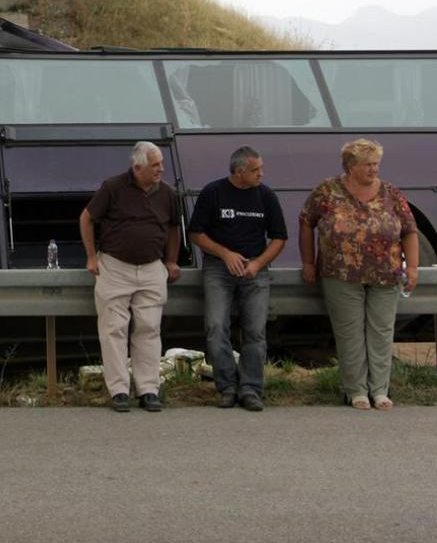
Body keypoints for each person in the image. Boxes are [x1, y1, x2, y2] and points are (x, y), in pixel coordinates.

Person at [298, 138, 418, 412]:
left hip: (385, 274)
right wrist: (308, 261)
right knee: (350, 333)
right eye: (368, 165)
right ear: (350, 166)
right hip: (340, 273)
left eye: (376, 164)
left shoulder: (391, 193)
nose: (374, 169)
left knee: (381, 331)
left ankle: (380, 390)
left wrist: (411, 267)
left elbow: (410, 230)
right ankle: (356, 391)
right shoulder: (327, 191)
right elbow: (306, 221)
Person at [80, 141, 183, 413]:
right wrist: (91, 256)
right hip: (115, 267)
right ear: (138, 168)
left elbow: (174, 227)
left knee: (149, 328)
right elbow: (87, 218)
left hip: (151, 268)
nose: (161, 168)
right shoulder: (113, 188)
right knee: (114, 328)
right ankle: (119, 390)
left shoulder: (168, 193)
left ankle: (149, 389)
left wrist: (172, 259)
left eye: (161, 163)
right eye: (156, 165)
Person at [188, 146, 287, 411]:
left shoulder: (266, 196)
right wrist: (224, 253)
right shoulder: (213, 192)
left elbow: (279, 238)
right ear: (239, 171)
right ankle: (227, 386)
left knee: (255, 331)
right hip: (219, 270)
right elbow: (196, 233)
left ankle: (251, 388)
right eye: (256, 170)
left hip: (254, 271)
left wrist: (257, 264)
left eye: (261, 169)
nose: (261, 174)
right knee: (216, 326)